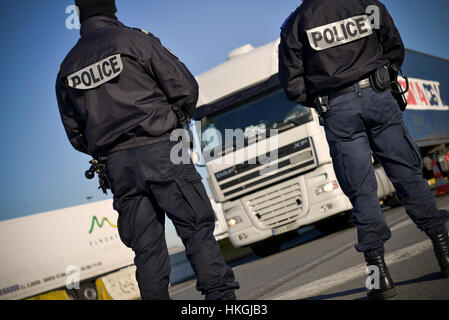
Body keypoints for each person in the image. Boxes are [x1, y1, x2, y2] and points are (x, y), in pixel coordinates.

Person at [56, 0, 239, 300]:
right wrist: (175, 123)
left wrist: (108, 149)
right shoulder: (135, 40)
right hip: (164, 150)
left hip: (118, 167)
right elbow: (185, 88)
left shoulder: (68, 67)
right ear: (111, 8)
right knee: (196, 231)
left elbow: (75, 133)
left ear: (79, 14)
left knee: (147, 251)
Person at [279, 0, 449, 300]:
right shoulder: (366, 4)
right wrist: (384, 77)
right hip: (379, 95)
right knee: (409, 178)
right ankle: (445, 253)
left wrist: (325, 98)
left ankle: (379, 278)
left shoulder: (296, 24)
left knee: (362, 193)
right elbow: (394, 46)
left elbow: (292, 85)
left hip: (338, 108)